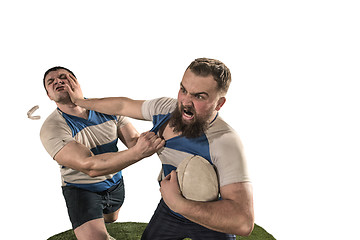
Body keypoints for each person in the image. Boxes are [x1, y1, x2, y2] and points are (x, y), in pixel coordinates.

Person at [64, 58, 254, 239]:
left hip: (208, 215)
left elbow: (243, 222)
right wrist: (81, 102)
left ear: (219, 103)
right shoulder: (165, 109)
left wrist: (178, 202)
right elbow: (122, 105)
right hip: (170, 211)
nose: (185, 102)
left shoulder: (224, 142)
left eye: (199, 96)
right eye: (183, 90)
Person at [40, 66, 164, 240]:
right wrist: (138, 152)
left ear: (76, 82)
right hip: (81, 189)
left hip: (114, 182)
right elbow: (90, 166)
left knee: (112, 218)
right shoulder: (52, 127)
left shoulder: (106, 108)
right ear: (49, 95)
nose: (58, 82)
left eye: (63, 77)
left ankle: (103, 216)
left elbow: (134, 141)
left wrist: (163, 133)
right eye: (50, 82)